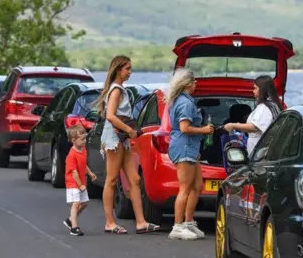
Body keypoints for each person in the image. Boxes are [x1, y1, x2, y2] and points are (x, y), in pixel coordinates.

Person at [94, 55, 160, 235]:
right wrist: (129, 131)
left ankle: (141, 222)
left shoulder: (121, 90)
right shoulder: (116, 90)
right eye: (127, 69)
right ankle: (109, 222)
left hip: (122, 137)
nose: (130, 72)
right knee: (112, 179)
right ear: (118, 70)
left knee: (135, 179)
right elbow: (110, 116)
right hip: (115, 137)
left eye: (130, 69)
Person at [164, 68, 214, 240]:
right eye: (194, 81)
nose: (196, 84)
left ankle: (189, 222)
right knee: (185, 188)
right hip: (184, 146)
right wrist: (204, 130)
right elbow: (185, 128)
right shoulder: (185, 103)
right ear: (188, 83)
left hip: (190, 147)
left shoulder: (182, 100)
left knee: (197, 185)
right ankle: (177, 227)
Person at [223, 75, 282, 154]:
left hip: (260, 153)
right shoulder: (273, 105)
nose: (253, 91)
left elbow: (254, 127)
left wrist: (233, 125)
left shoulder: (264, 107)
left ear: (262, 90)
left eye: (255, 88)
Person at [63, 124, 97, 236]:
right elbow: (74, 172)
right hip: (73, 183)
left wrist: (90, 173)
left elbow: (83, 164)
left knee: (85, 203)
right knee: (76, 203)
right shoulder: (71, 155)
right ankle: (74, 227)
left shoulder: (83, 150)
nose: (84, 141)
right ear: (73, 140)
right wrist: (80, 185)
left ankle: (70, 220)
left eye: (85, 138)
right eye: (82, 139)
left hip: (81, 182)